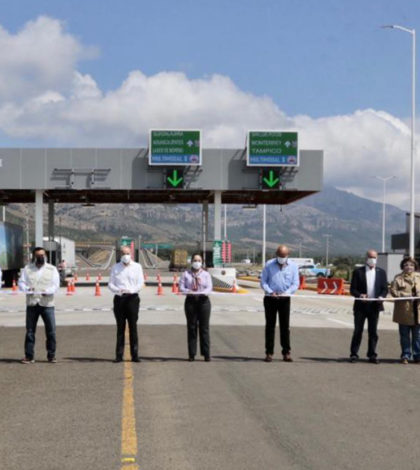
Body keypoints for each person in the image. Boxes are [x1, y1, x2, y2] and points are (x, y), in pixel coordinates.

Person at [18, 247, 60, 364]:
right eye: (38, 255)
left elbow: (56, 285)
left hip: (47, 304)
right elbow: (21, 282)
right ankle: (29, 356)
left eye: (42, 255)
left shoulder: (52, 269)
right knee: (30, 331)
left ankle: (51, 355)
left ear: (45, 256)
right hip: (32, 304)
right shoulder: (27, 269)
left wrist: (48, 291)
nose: (40, 257)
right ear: (34, 256)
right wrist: (27, 288)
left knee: (51, 331)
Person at [260, 244, 299, 362]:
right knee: (270, 326)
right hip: (270, 298)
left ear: (288, 255)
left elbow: (295, 283)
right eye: (280, 256)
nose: (282, 258)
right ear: (276, 255)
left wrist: (286, 292)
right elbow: (263, 282)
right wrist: (271, 292)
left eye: (284, 256)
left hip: (285, 299)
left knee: (285, 327)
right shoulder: (269, 265)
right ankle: (269, 352)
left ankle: (286, 352)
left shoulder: (293, 266)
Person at [349, 249, 388, 364]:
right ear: (366, 258)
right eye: (370, 257)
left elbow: (384, 289)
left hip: (374, 307)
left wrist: (381, 296)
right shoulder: (358, 272)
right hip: (360, 307)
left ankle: (372, 354)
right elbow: (352, 289)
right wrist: (360, 295)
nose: (372, 259)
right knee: (358, 331)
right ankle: (354, 354)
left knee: (373, 332)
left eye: (374, 257)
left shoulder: (381, 272)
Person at [108, 246, 144, 363]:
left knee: (133, 327)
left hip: (132, 299)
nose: (126, 255)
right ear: (120, 255)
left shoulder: (137, 267)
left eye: (128, 253)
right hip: (120, 299)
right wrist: (118, 290)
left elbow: (140, 283)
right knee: (120, 328)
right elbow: (110, 284)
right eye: (123, 253)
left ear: (131, 254)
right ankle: (119, 355)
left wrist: (132, 290)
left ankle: (135, 355)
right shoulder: (115, 267)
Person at [179, 253, 213, 362]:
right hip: (190, 302)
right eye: (195, 260)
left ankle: (206, 354)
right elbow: (181, 286)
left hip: (203, 302)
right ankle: (191, 354)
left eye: (199, 260)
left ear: (202, 262)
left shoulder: (206, 274)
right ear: (191, 261)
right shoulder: (186, 274)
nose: (197, 262)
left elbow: (209, 287)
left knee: (204, 328)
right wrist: (187, 291)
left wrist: (202, 293)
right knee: (192, 328)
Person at [390, 257, 420, 364]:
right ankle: (405, 355)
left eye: (411, 265)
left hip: (417, 312)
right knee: (404, 336)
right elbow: (393, 291)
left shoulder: (419, 277)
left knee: (417, 336)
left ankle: (417, 356)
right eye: (406, 265)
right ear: (403, 266)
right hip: (403, 312)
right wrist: (407, 295)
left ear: (415, 267)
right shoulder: (398, 278)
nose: (409, 267)